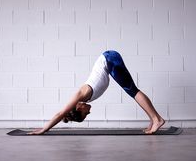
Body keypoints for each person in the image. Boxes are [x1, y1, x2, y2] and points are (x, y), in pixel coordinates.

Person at [28, 50, 165, 135]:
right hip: (109, 61)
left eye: (85, 114)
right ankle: (152, 120)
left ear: (78, 107)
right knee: (132, 90)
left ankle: (157, 119)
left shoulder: (81, 94)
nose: (89, 112)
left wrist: (44, 129)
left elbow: (60, 113)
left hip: (110, 59)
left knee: (132, 91)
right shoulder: (86, 99)